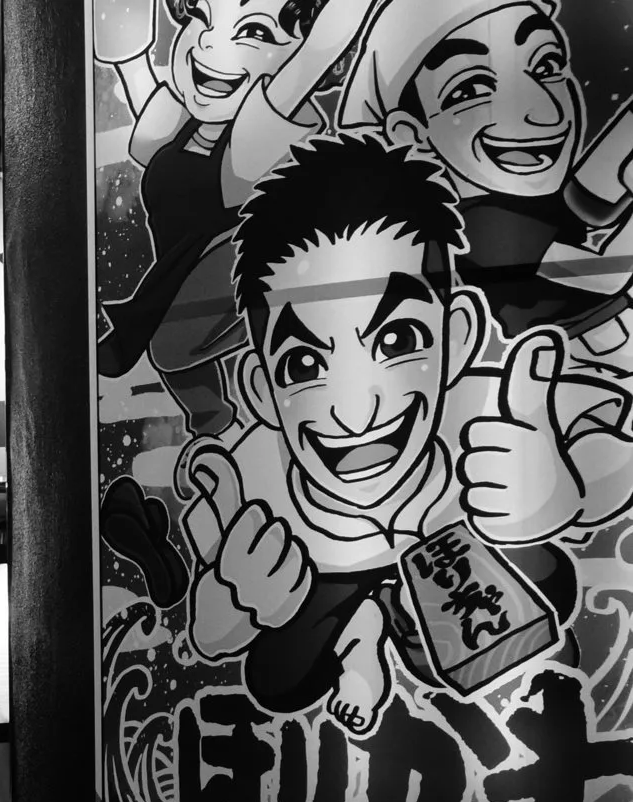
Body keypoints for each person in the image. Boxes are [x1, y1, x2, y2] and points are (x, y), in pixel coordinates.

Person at [179, 132, 628, 733]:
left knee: (551, 578)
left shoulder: (503, 408)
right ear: (261, 388)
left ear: (459, 335)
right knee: (275, 673)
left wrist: (564, 491)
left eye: (396, 341)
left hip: (455, 569)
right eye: (305, 366)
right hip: (333, 582)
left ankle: (374, 628)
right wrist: (235, 600)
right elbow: (208, 635)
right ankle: (360, 638)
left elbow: (612, 444)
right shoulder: (248, 482)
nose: (356, 411)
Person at [92, 0, 372, 434]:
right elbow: (140, 100)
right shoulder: (184, 120)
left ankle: (237, 417)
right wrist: (126, 52)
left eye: (256, 33)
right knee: (171, 348)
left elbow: (316, 52)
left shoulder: (266, 123)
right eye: (202, 18)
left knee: (171, 344)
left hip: (244, 267)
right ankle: (218, 424)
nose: (208, 41)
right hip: (176, 274)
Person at [343, 0, 633, 361]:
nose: (546, 113)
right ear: (411, 134)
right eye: (470, 89)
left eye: (547, 65)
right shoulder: (477, 223)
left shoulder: (533, 191)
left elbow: (593, 209)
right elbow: (599, 275)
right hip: (562, 358)